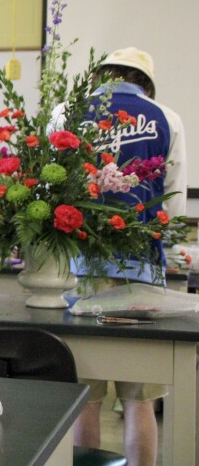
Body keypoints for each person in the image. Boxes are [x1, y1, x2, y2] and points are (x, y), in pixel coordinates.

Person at [61, 47, 187, 466]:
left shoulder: (68, 112)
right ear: (145, 82)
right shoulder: (167, 117)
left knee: (84, 398)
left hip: (81, 267)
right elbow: (176, 205)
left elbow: (50, 189)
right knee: (139, 399)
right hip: (142, 268)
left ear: (99, 76)